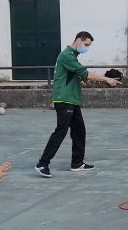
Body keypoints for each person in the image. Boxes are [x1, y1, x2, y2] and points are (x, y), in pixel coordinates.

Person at [35, 31, 120, 177]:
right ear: (78, 40)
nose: (87, 48)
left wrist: (80, 80)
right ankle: (42, 164)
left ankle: (77, 163)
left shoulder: (73, 56)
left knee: (79, 131)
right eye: (86, 44)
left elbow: (76, 75)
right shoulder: (67, 55)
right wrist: (106, 79)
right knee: (61, 132)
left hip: (72, 100)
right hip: (64, 100)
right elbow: (84, 73)